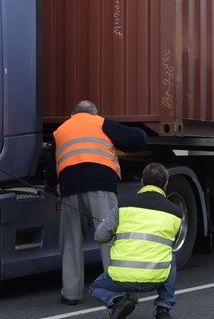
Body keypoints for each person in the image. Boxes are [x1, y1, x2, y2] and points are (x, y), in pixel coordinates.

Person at [51, 100, 146, 306]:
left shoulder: (60, 130)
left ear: (72, 114)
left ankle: (71, 293)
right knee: (108, 238)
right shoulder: (101, 123)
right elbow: (138, 139)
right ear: (94, 113)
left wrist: (51, 186)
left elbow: (55, 163)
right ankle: (117, 290)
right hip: (101, 187)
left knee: (70, 242)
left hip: (70, 189)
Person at [88, 162, 182, 319]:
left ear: (142, 182)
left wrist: (111, 225)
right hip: (155, 278)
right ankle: (163, 308)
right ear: (166, 185)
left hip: (121, 279)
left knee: (95, 287)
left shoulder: (123, 204)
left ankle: (118, 302)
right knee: (170, 255)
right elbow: (168, 243)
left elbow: (100, 236)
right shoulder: (175, 212)